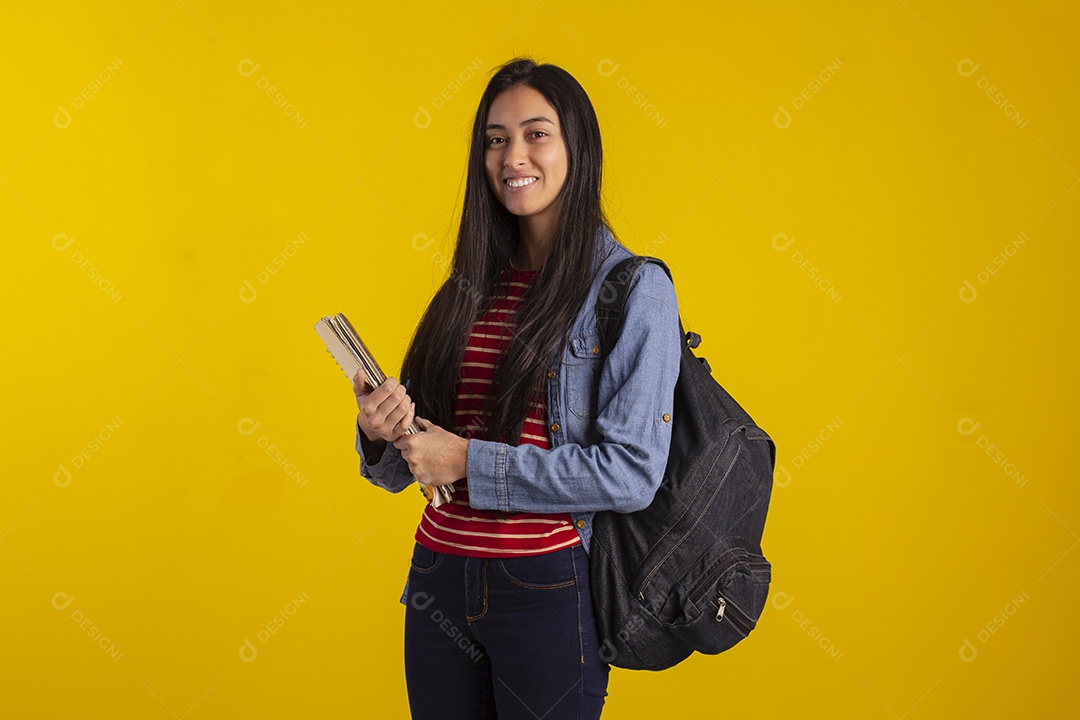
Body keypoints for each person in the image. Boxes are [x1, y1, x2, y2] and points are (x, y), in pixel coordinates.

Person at [351, 56, 682, 720]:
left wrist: (468, 461)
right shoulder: (468, 286)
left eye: (536, 134)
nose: (513, 157)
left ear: (577, 147)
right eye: (496, 139)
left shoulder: (633, 290)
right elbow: (409, 465)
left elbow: (631, 472)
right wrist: (381, 431)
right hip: (438, 577)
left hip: (546, 588)